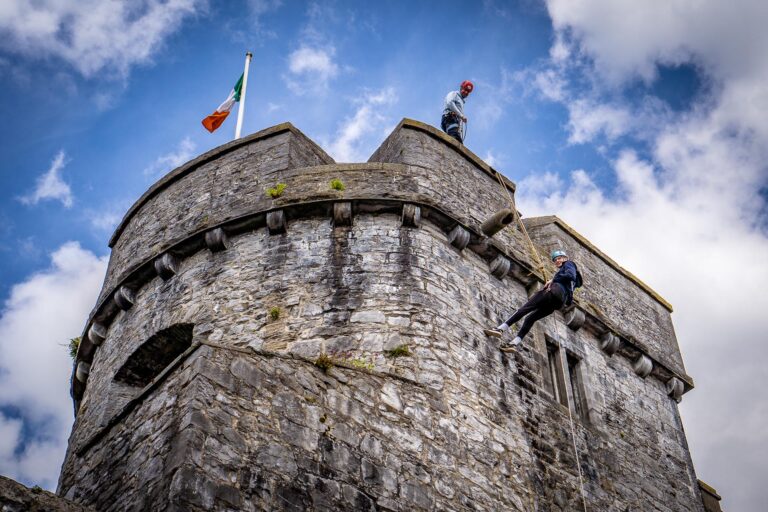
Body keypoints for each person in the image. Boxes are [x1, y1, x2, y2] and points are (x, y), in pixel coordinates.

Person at [484, 250, 582, 351]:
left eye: (559, 258)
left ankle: (500, 329)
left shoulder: (569, 264)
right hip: (557, 303)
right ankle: (514, 343)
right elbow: (569, 299)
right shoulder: (574, 283)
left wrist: (553, 280)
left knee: (524, 309)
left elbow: (570, 275)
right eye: (555, 260)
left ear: (566, 258)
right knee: (530, 319)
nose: (557, 261)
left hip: (550, 293)